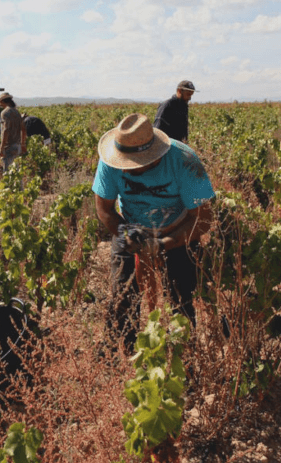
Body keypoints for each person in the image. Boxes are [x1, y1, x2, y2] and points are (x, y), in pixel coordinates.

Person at [92, 113, 214, 347]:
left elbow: (203, 219)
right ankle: (120, 352)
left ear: (153, 158)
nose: (124, 170)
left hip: (178, 229)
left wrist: (165, 243)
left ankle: (181, 352)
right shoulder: (110, 160)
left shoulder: (184, 160)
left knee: (181, 298)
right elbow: (104, 210)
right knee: (122, 296)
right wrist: (126, 233)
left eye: (131, 166)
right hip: (130, 226)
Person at [0, 92, 26, 171]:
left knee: (7, 172)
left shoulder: (4, 113)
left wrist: (1, 147)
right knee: (16, 171)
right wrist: (23, 144)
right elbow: (23, 129)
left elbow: (6, 130)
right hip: (17, 146)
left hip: (8, 146)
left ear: (2, 101)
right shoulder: (17, 112)